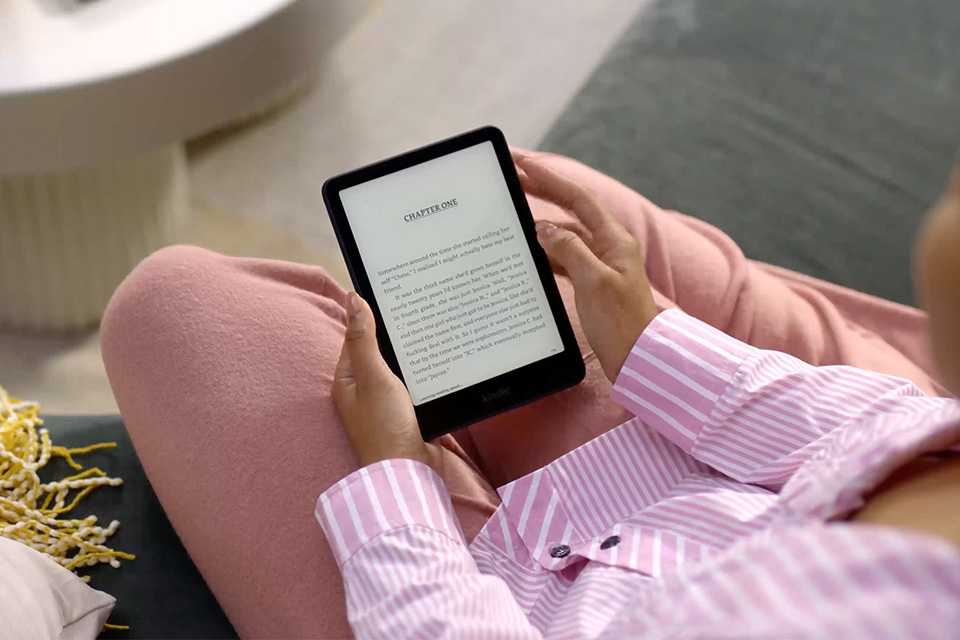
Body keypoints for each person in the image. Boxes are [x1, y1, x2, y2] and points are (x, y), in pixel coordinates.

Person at [100, 151, 959, 638]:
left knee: (175, 304)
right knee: (533, 197)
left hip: (506, 603)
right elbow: (893, 428)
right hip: (741, 467)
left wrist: (395, 485)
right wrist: (652, 344)